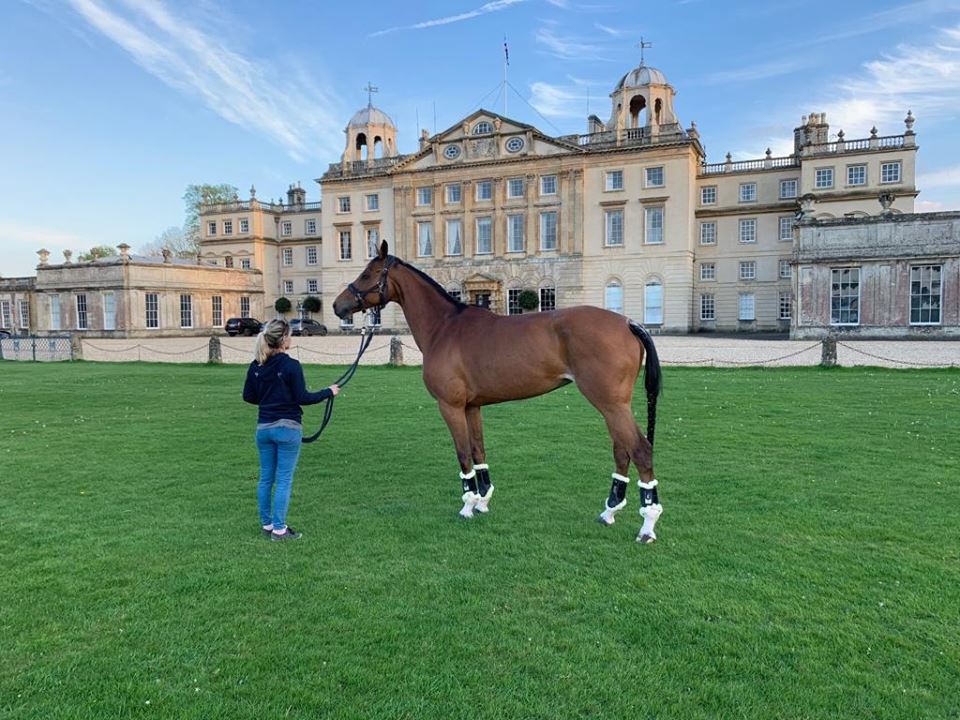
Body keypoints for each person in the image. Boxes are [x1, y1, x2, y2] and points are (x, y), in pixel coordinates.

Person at [242, 319, 339, 541]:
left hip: (264, 428)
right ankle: (279, 529)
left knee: (266, 478)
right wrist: (328, 392)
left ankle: (267, 523)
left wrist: (269, 398)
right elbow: (302, 397)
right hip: (287, 428)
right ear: (284, 339)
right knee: (284, 479)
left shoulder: (256, 365)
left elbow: (249, 396)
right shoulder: (290, 365)